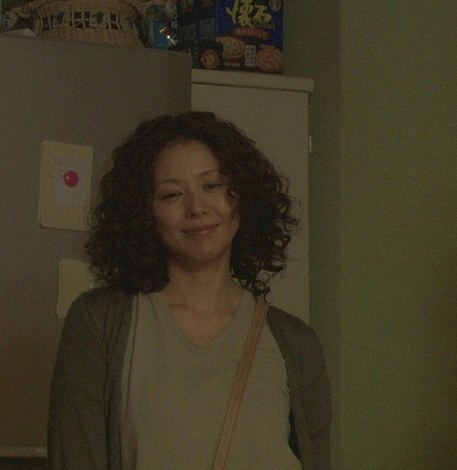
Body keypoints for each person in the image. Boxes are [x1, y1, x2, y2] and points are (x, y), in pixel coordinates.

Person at [47, 112, 331, 469]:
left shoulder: (296, 344)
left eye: (212, 186)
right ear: (143, 212)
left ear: (242, 196)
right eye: (171, 194)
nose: (196, 208)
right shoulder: (99, 323)